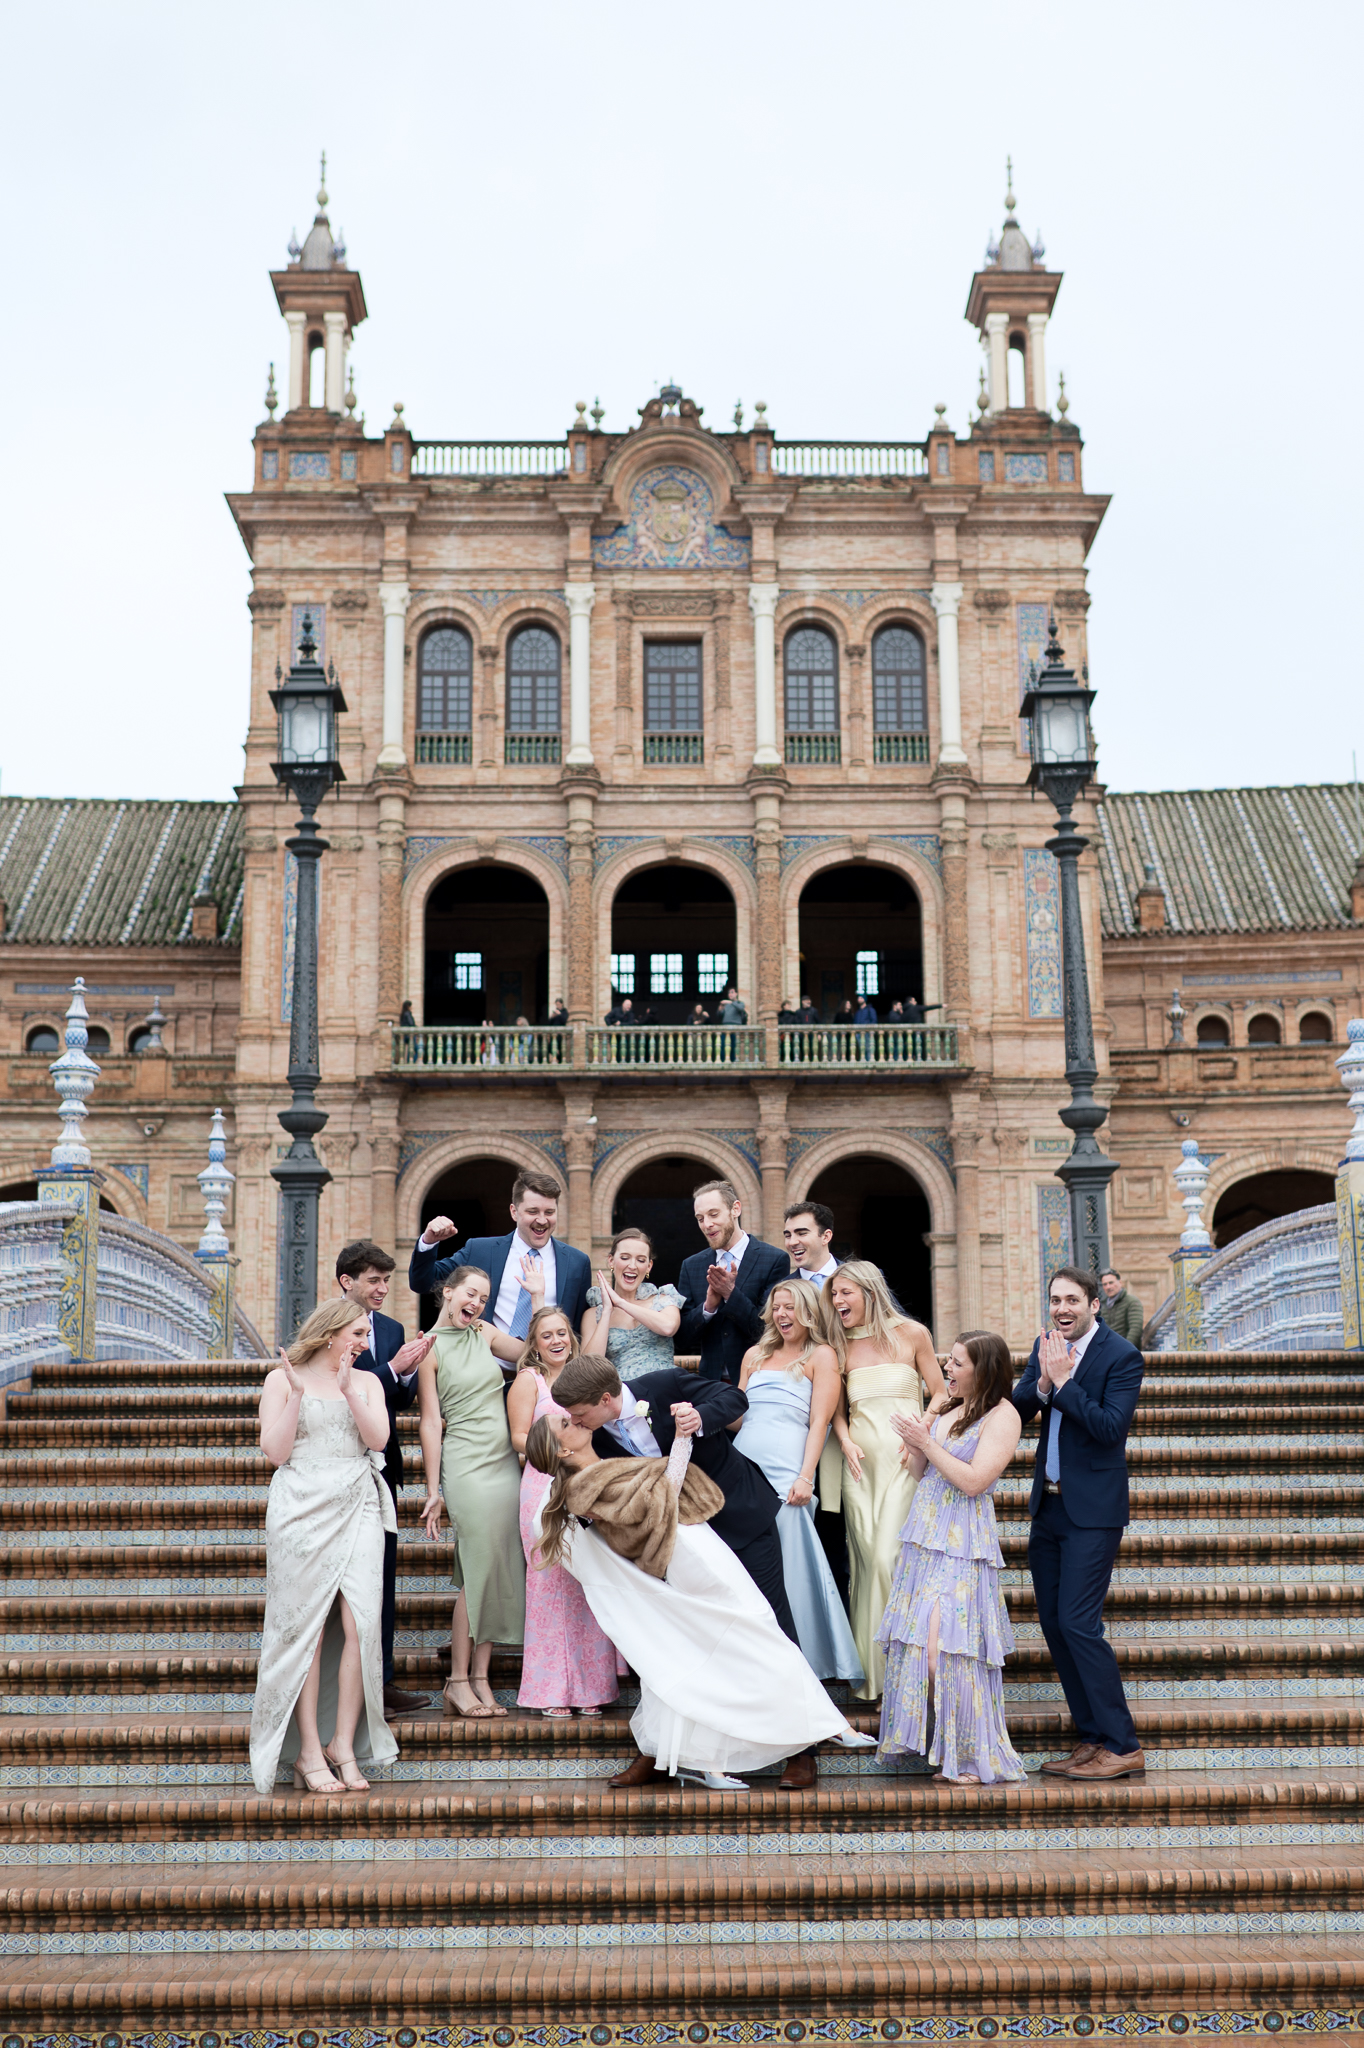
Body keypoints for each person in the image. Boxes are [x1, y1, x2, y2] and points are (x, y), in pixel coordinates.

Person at [525, 1410, 872, 1790]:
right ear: (560, 1450)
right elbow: (660, 1502)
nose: (574, 1421)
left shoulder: (599, 1469)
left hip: (695, 1542)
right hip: (687, 1555)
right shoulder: (584, 1486)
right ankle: (828, 1724)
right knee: (754, 1627)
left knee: (719, 1645)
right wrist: (681, 1441)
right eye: (564, 1425)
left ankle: (710, 1757)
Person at [552, 1353, 823, 1785]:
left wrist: (699, 1417)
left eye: (579, 1412)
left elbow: (735, 1398)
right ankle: (661, 1753)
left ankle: (803, 1748)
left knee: (771, 1626)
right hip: (678, 1549)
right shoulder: (594, 1440)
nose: (575, 1420)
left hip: (738, 1519)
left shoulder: (662, 1385)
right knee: (673, 1645)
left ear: (605, 1399)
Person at [249, 1299, 397, 1795]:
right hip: (300, 1506)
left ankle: (343, 1744)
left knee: (362, 1621)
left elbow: (378, 1441)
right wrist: (294, 1395)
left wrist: (350, 1390)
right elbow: (276, 1452)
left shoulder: (370, 1381)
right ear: (332, 1332)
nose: (365, 1341)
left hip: (359, 1502)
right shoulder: (279, 1379)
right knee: (306, 1626)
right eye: (358, 1331)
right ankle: (308, 1751)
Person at [1013, 1265, 1145, 1780]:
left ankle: (1123, 1742)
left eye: (1072, 1300)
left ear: (1094, 1304)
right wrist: (1045, 1382)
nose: (1061, 1309)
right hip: (1048, 1509)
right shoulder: (1045, 1344)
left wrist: (1066, 1384)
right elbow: (1018, 1406)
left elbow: (1111, 1428)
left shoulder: (1121, 1356)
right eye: (1054, 1300)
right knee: (1054, 1626)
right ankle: (1091, 1739)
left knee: (1078, 1624)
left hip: (1092, 1512)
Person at [878, 1330, 1027, 1785]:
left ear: (983, 1368)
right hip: (926, 1536)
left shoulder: (1004, 1416)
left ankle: (970, 1756)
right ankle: (940, 1745)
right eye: (949, 1361)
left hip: (963, 1541)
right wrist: (917, 1438)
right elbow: (920, 1470)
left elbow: (975, 1481)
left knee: (950, 1650)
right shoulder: (947, 1407)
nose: (947, 1368)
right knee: (921, 1647)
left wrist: (928, 1445)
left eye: (958, 1363)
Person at [824, 1260, 945, 1702]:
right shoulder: (837, 1344)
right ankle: (873, 1674)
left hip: (903, 1463)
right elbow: (834, 1406)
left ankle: (905, 1670)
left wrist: (923, 1429)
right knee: (865, 1561)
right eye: (834, 1294)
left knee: (887, 1558)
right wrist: (844, 1439)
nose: (837, 1301)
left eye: (845, 1293)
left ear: (870, 1293)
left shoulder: (913, 1334)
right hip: (858, 1467)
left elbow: (942, 1390)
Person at [733, 1279, 863, 1689]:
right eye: (776, 1307)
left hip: (788, 1468)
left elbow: (819, 1422)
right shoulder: (755, 1355)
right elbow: (738, 1415)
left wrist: (805, 1476)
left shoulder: (821, 1356)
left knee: (791, 1562)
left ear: (807, 1312)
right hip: (744, 1464)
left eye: (790, 1307)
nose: (782, 1315)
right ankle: (751, 1658)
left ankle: (802, 1657)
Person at [417, 1269, 525, 1718]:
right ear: (448, 1292)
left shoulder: (484, 1333)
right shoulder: (429, 1347)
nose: (477, 1302)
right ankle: (457, 1681)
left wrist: (535, 1296)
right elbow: (429, 1422)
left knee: (496, 1568)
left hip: (503, 1464)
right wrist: (432, 1489)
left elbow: (534, 1353)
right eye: (470, 1293)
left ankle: (481, 1678)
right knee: (478, 1570)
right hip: (465, 1466)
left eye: (483, 1296)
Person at [507, 1307, 622, 1717]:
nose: (556, 1341)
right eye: (546, 1336)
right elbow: (520, 1435)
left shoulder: (581, 1378)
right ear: (534, 1344)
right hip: (543, 1484)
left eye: (561, 1333)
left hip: (585, 1482)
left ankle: (591, 1688)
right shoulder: (528, 1381)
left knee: (587, 1583)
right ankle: (551, 1689)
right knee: (548, 1591)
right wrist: (558, 1453)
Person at [336, 1239, 435, 1714]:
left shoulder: (393, 1328)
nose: (382, 1289)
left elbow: (395, 1400)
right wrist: (392, 1369)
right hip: (337, 1464)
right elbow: (337, 1388)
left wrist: (412, 1372)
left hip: (384, 1468)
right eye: (373, 1281)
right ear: (346, 1282)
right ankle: (342, 1686)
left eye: (385, 1281)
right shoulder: (324, 1326)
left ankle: (383, 1679)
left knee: (383, 1576)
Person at [410, 1168, 593, 1366]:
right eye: (532, 1212)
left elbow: (579, 1329)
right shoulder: (480, 1250)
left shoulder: (577, 1262)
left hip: (548, 1379)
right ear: (514, 1212)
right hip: (486, 1375)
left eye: (549, 1212)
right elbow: (423, 1283)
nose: (542, 1220)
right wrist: (428, 1242)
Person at [676, 1179, 790, 1386]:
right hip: (710, 1385)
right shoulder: (691, 1265)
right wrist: (708, 1307)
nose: (706, 1224)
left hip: (759, 1380)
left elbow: (770, 1330)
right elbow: (682, 1339)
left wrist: (730, 1294)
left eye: (713, 1214)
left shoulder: (774, 1260)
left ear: (735, 1209)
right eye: (700, 1218)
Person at [581, 1227, 684, 1381]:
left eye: (641, 1260)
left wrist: (621, 1303)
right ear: (611, 1261)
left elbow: (668, 1327)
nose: (632, 1265)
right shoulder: (594, 1314)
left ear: (648, 1266)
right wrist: (607, 1311)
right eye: (624, 1258)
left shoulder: (663, 1298)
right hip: (621, 1396)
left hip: (666, 1390)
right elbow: (588, 1367)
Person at [782, 1201, 838, 1290]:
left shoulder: (858, 1280)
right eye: (788, 1236)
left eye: (801, 1233)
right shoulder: (780, 1291)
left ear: (826, 1237)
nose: (792, 1242)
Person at [1099, 1268, 1145, 1346]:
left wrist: (1126, 1349)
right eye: (1105, 1284)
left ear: (1120, 1282)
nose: (1108, 1287)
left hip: (1126, 1351)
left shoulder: (1131, 1301)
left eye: (1111, 1283)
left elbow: (1135, 1329)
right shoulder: (1102, 1305)